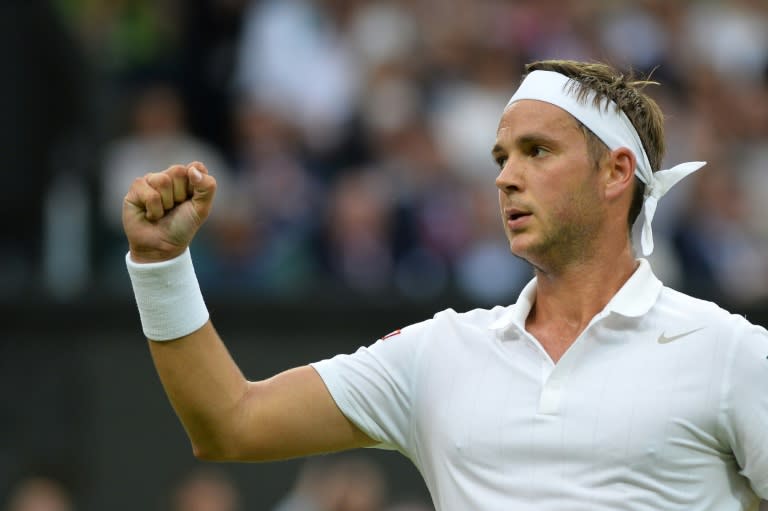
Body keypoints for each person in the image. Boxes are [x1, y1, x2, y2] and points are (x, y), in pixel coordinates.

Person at [122, 60, 768, 510]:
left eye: (536, 152)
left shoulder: (726, 350)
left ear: (615, 173)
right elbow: (231, 421)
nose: (505, 177)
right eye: (500, 158)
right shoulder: (439, 352)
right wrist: (159, 264)